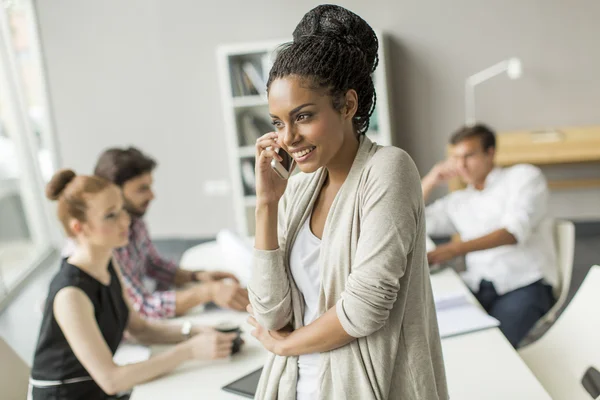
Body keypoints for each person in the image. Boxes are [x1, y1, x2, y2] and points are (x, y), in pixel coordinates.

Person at [246, 5, 448, 400]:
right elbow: (271, 313)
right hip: (292, 387)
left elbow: (365, 309)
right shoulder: (299, 189)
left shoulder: (388, 169)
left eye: (303, 116)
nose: (287, 138)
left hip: (367, 387)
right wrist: (267, 205)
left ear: (348, 105)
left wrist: (285, 344)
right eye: (277, 122)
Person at [30, 170, 238, 400]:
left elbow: (139, 329)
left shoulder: (107, 262)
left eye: (122, 210)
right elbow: (111, 380)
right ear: (80, 228)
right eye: (110, 216)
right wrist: (188, 351)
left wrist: (195, 332)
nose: (125, 221)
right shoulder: (70, 294)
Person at [422, 123, 557, 347]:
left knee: (494, 347)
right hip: (480, 285)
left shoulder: (523, 177)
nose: (461, 165)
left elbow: (512, 233)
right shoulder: (459, 200)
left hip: (525, 284)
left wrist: (453, 249)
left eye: (469, 156)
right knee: (436, 336)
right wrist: (431, 180)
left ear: (490, 153)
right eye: (455, 158)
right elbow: (410, 218)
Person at [93, 147, 249, 318]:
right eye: (142, 189)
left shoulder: (136, 223)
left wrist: (196, 277)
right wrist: (207, 292)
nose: (152, 195)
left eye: (150, 186)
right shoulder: (105, 242)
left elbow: (152, 264)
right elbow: (141, 308)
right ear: (113, 193)